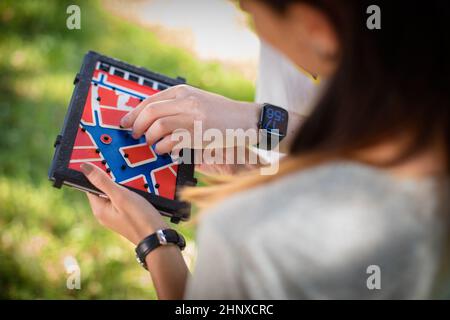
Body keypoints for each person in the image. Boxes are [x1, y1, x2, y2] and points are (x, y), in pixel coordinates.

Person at [79, 0, 449, 299]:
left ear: (316, 28)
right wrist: (268, 167)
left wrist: (155, 241)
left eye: (248, 11)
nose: (253, 25)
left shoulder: (249, 236)